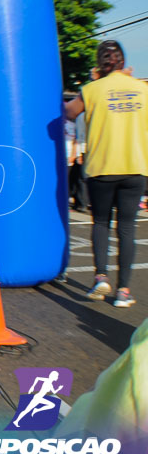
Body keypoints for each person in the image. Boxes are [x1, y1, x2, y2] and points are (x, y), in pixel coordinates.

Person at [65, 40, 148, 308]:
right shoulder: (142, 89)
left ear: (100, 64)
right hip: (136, 167)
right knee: (127, 228)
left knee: (100, 223)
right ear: (123, 62)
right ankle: (123, 291)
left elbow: (69, 112)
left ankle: (101, 277)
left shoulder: (91, 90)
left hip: (102, 168)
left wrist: (95, 82)